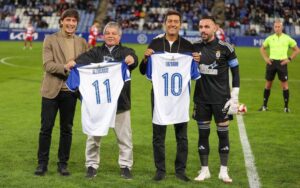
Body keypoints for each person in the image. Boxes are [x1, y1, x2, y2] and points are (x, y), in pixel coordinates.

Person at [67, 21, 138, 179]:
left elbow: (134, 58)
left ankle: (126, 166)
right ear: (103, 35)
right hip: (98, 104)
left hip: (120, 103)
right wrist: (74, 62)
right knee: (93, 136)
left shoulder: (126, 51)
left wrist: (131, 59)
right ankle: (91, 165)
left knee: (124, 137)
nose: (110, 36)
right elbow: (82, 60)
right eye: (108, 33)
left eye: (114, 33)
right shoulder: (96, 52)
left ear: (119, 36)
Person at [139, 10, 200, 182]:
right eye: (170, 21)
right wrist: (145, 58)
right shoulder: (156, 43)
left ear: (180, 24)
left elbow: (196, 70)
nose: (172, 24)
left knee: (182, 136)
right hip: (159, 96)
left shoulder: (188, 46)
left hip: (180, 98)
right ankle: (160, 170)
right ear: (165, 23)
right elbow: (144, 71)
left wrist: (197, 60)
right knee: (158, 135)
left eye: (176, 21)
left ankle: (180, 170)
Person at [34, 8, 88, 176]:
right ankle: (42, 164)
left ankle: (62, 164)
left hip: (71, 92)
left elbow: (87, 66)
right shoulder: (50, 39)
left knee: (67, 129)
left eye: (74, 21)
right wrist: (65, 67)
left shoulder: (82, 42)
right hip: (51, 90)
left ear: (77, 23)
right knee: (46, 128)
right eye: (68, 20)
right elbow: (47, 65)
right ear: (61, 21)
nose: (71, 24)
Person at [192, 16, 240, 183]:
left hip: (221, 100)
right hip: (201, 99)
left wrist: (235, 96)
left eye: (206, 26)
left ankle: (223, 171)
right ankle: (204, 170)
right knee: (203, 134)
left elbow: (236, 72)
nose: (203, 30)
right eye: (200, 26)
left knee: (223, 135)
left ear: (215, 28)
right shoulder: (194, 47)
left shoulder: (226, 48)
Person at [258, 19, 300, 112]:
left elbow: (297, 50)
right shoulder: (270, 38)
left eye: (279, 27)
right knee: (268, 84)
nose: (277, 28)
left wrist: (289, 59)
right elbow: (262, 48)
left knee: (285, 86)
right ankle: (264, 106)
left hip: (282, 63)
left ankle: (286, 107)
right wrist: (266, 58)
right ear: (274, 27)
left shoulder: (287, 38)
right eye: (275, 27)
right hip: (271, 63)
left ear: (282, 27)